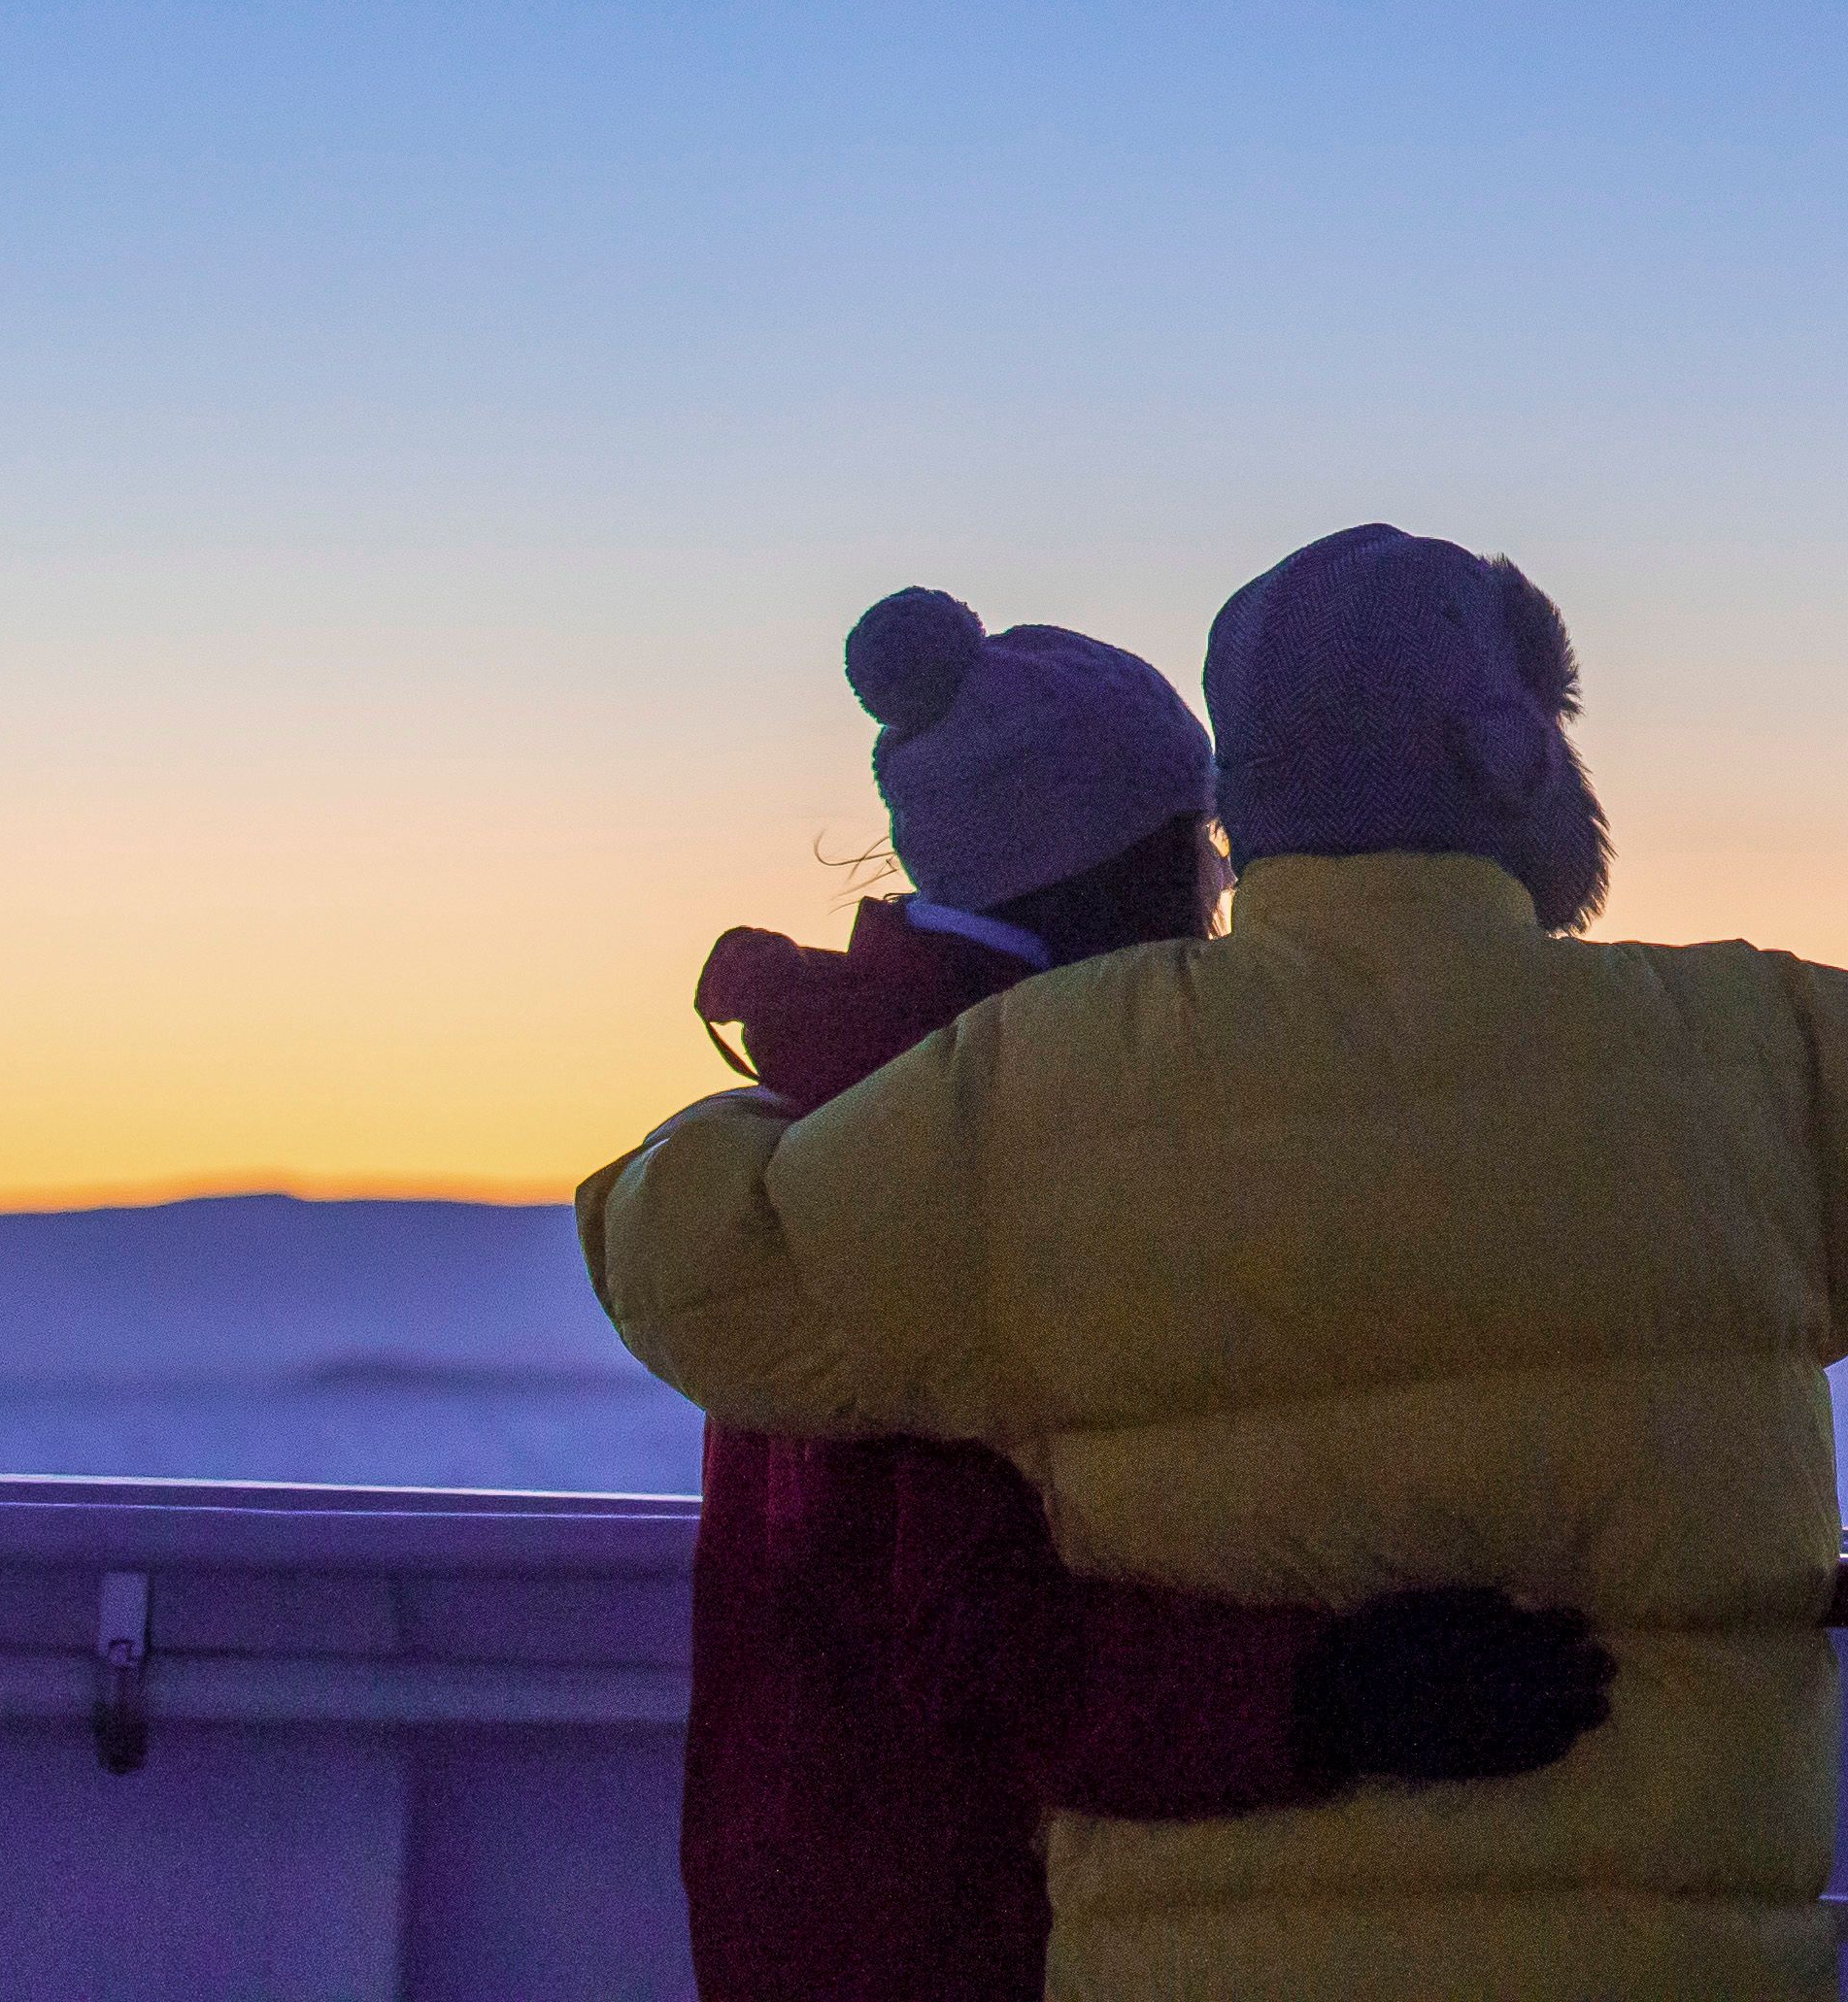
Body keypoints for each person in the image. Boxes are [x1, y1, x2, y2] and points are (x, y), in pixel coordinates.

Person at [587, 523, 1848, 2002]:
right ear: (1519, 763)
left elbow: (696, 1260)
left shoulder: (1028, 1096)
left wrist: (792, 1085)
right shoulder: (1732, 1059)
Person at [666, 585, 1615, 2002]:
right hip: (949, 1928)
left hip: (834, 1903)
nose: (1224, 906)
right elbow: (968, 1642)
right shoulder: (967, 1144)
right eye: (1210, 864)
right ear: (1129, 874)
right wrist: (1335, 1696)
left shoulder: (871, 1095)